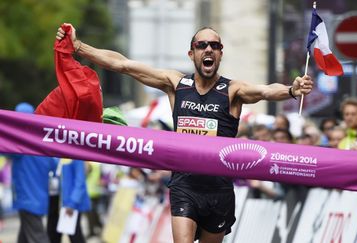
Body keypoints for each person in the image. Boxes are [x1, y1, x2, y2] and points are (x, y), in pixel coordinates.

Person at [56, 24, 313, 243]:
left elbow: (266, 91)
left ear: (220, 54)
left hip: (218, 190)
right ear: (192, 53)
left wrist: (292, 89)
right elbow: (123, 65)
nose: (208, 49)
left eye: (214, 45)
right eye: (202, 45)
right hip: (184, 185)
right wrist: (79, 47)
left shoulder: (233, 90)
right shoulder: (176, 84)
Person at [8, 102, 58, 243]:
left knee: (37, 237)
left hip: (25, 197)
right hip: (40, 197)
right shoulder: (43, 143)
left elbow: (4, 149)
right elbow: (54, 166)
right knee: (25, 234)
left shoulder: (19, 144)